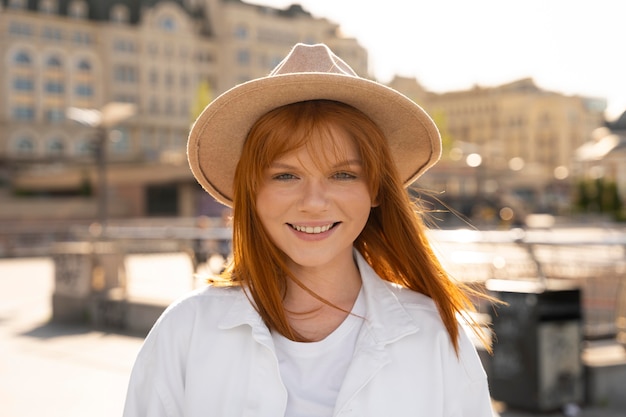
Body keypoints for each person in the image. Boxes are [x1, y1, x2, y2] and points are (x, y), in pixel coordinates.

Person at [123, 43, 495, 417]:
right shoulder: (185, 331)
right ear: (252, 191)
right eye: (286, 175)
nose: (314, 201)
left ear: (377, 189)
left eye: (343, 174)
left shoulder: (434, 334)